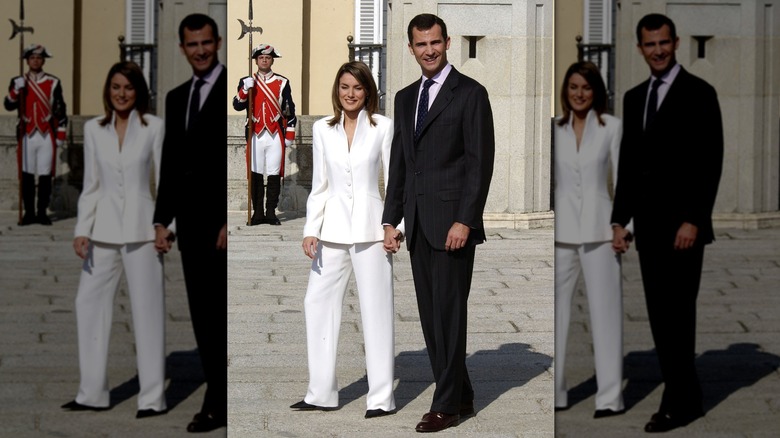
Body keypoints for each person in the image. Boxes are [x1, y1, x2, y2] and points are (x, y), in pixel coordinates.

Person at [381, 13, 495, 433]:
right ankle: (461, 391)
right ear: (410, 47)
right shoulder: (405, 96)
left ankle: (446, 404)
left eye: (435, 42)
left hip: (452, 226)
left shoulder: (470, 93)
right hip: (417, 224)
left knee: (449, 313)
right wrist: (391, 220)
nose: (428, 50)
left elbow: (479, 164)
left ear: (447, 42)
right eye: (420, 44)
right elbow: (400, 163)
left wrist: (465, 219)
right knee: (431, 316)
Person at [611, 13, 723, 433]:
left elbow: (710, 161)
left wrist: (695, 219)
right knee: (660, 316)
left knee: (679, 314)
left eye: (663, 43)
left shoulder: (700, 92)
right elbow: (629, 165)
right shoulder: (635, 96)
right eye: (649, 44)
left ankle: (678, 400)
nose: (657, 50)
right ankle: (685, 394)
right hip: (650, 230)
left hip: (684, 230)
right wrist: (619, 220)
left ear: (675, 43)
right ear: (640, 48)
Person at [290, 61, 402, 419]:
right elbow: (320, 184)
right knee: (316, 303)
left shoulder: (383, 126)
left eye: (356, 87)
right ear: (337, 92)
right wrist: (311, 228)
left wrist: (395, 225)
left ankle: (381, 398)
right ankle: (320, 392)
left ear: (367, 90)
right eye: (344, 87)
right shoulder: (324, 129)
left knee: (377, 310)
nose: (350, 94)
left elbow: (396, 181)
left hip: (373, 231)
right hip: (332, 231)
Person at [62, 61, 168, 418]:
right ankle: (91, 392)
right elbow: (91, 184)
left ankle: (152, 398)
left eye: (128, 87)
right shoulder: (94, 129)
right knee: (86, 305)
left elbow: (166, 183)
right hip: (102, 232)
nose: (121, 94)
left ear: (138, 91)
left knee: (148, 313)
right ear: (108, 91)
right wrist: (81, 229)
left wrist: (167, 226)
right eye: (115, 87)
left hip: (143, 232)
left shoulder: (154, 127)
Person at [152, 13, 227, 433]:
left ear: (216, 42)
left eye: (205, 43)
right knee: (202, 316)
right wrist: (162, 220)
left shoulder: (234, 90)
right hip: (190, 230)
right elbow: (171, 163)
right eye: (191, 44)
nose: (199, 50)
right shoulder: (177, 96)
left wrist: (227, 223)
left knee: (219, 316)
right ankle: (217, 389)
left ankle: (217, 399)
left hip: (220, 230)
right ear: (182, 48)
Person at [553, 61, 626, 418]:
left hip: (601, 232)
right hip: (560, 235)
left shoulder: (612, 127)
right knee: (557, 316)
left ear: (595, 91)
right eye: (573, 87)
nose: (579, 93)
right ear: (565, 92)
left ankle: (610, 398)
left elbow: (627, 181)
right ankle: (556, 394)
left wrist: (625, 226)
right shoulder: (555, 129)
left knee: (606, 315)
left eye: (585, 87)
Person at [233, 44, 297, 226]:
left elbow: (290, 109)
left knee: (274, 173)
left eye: (267, 58)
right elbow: (237, 105)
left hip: (275, 132)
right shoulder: (247, 80)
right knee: (256, 173)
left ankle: (271, 212)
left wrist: (289, 134)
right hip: (255, 133)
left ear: (272, 60)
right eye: (261, 58)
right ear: (256, 61)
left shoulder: (282, 82)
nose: (264, 60)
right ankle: (258, 213)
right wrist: (245, 89)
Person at [4, 44, 68, 225]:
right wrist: (16, 90)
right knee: (27, 175)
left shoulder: (53, 82)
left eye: (39, 58)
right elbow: (8, 105)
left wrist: (61, 133)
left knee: (45, 175)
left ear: (43, 61)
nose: (35, 61)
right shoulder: (18, 80)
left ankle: (42, 212)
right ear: (27, 61)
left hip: (46, 133)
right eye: (32, 58)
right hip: (27, 133)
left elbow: (61, 108)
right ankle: (29, 213)